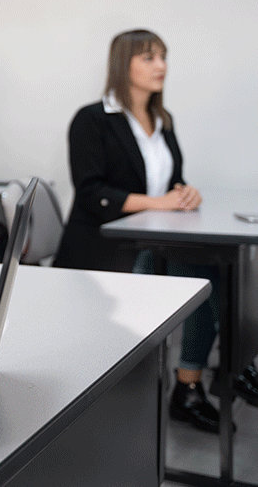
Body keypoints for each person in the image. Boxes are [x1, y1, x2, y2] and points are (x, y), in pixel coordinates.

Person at [53, 28, 258, 433]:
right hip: (104, 247)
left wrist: (183, 194)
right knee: (201, 274)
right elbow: (93, 193)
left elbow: (171, 181)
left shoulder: (163, 119)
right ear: (122, 64)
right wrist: (158, 202)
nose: (161, 66)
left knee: (207, 272)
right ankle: (220, 375)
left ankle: (200, 382)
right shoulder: (92, 119)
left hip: (152, 240)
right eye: (148, 58)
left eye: (163, 56)